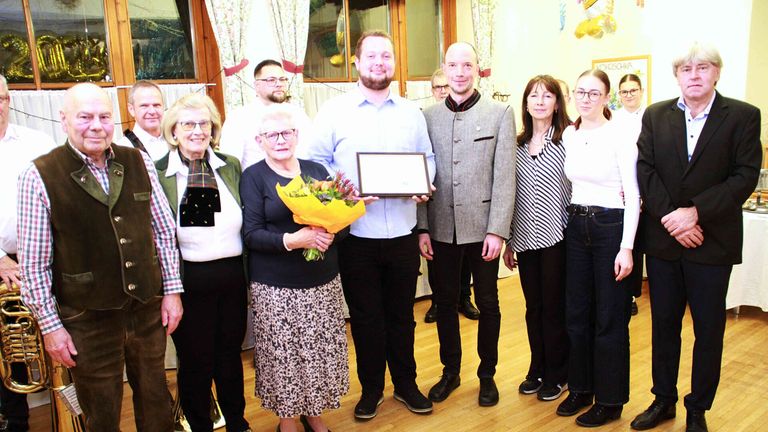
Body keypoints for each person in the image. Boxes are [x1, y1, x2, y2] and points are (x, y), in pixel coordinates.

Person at [17, 83, 184, 431]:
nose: (96, 125)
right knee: (101, 414)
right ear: (63, 120)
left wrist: (171, 291)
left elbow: (163, 232)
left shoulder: (138, 161)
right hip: (86, 319)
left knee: (156, 402)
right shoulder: (39, 175)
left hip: (146, 308)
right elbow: (34, 266)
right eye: (85, 117)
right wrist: (51, 328)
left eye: (104, 116)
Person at [631, 42, 762, 432]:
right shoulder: (656, 116)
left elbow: (744, 175)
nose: (694, 75)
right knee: (664, 327)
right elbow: (646, 169)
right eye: (686, 69)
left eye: (702, 68)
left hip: (712, 241)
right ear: (677, 76)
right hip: (665, 242)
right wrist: (672, 217)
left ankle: (697, 409)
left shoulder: (742, 116)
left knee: (708, 330)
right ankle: (663, 400)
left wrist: (696, 212)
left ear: (717, 73)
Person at [308, 30, 435, 420]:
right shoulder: (334, 111)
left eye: (386, 56)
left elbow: (427, 158)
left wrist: (424, 184)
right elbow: (314, 166)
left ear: (393, 63)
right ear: (357, 63)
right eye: (372, 56)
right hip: (355, 236)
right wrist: (345, 195)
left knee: (402, 315)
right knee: (364, 317)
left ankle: (407, 385)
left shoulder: (412, 113)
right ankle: (372, 390)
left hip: (401, 232)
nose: (380, 62)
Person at [418, 41, 515, 407]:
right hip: (440, 228)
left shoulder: (500, 113)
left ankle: (487, 374)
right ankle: (450, 372)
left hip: (483, 229)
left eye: (467, 65)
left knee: (488, 302)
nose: (460, 72)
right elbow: (420, 177)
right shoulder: (426, 116)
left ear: (478, 69)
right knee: (444, 303)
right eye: (453, 65)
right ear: (444, 68)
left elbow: (505, 178)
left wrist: (497, 230)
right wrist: (422, 228)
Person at [241, 104, 348, 432]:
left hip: (322, 282)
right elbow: (251, 234)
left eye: (287, 132)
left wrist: (331, 232)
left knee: (318, 352)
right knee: (285, 357)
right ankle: (287, 420)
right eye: (272, 134)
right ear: (260, 140)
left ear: (297, 135)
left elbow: (339, 218)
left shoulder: (316, 171)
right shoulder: (254, 177)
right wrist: (294, 239)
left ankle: (314, 414)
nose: (280, 139)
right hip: (276, 287)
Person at [154, 93, 251, 432]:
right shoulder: (159, 173)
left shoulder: (231, 165)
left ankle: (237, 421)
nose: (197, 130)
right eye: (188, 124)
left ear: (214, 128)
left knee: (229, 357)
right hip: (188, 281)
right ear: (174, 131)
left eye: (204, 123)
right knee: (196, 362)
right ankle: (200, 425)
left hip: (232, 276)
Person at [555, 69, 640, 427]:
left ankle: (610, 400)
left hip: (610, 227)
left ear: (608, 98)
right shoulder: (570, 135)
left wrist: (627, 247)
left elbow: (633, 194)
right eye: (580, 92)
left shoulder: (619, 134)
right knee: (576, 314)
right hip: (577, 226)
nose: (586, 98)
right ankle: (581, 387)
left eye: (594, 93)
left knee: (609, 318)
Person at [502, 74, 571, 402]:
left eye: (547, 96)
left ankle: (559, 373)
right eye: (534, 96)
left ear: (557, 103)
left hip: (558, 237)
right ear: (526, 103)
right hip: (526, 238)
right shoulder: (515, 145)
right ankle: (538, 367)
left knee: (554, 308)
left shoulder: (568, 139)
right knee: (533, 307)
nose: (540, 101)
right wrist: (510, 241)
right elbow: (512, 195)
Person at [0, 73, 57, 432]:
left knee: (52, 342)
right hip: (2, 262)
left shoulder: (37, 141)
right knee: (9, 353)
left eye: (1, 98)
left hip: (44, 258)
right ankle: (15, 421)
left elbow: (58, 198)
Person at [423, 68, 480, 324]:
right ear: (432, 91)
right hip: (438, 205)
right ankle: (438, 300)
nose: (443, 90)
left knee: (466, 261)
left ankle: (464, 297)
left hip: (468, 205)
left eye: (446, 86)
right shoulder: (425, 119)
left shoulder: (471, 115)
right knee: (437, 264)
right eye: (438, 87)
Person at [219, 59, 313, 170]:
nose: (279, 84)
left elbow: (310, 154)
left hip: (299, 182)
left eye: (282, 79)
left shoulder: (298, 114)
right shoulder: (239, 118)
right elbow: (231, 166)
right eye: (271, 80)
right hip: (256, 184)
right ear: (257, 85)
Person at [614, 73, 647, 316]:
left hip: (644, 187)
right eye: (624, 91)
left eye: (632, 90)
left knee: (636, 246)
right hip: (620, 190)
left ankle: (634, 293)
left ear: (641, 91)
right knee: (621, 243)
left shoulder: (651, 118)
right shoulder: (612, 120)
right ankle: (622, 293)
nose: (628, 95)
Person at [117, 80, 170, 161]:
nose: (152, 111)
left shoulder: (177, 140)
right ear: (131, 109)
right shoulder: (123, 150)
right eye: (144, 106)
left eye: (156, 105)